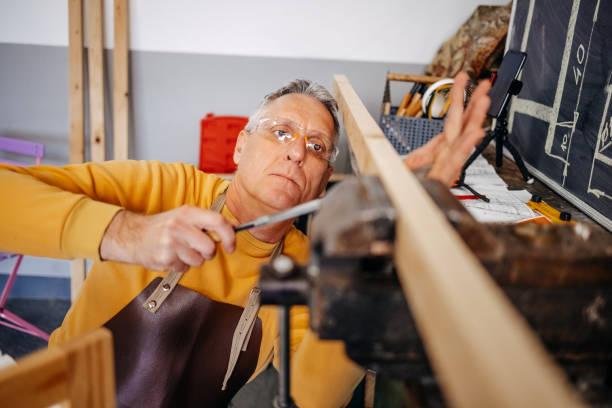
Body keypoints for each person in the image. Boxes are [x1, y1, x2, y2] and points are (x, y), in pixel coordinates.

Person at [0, 72, 490, 407]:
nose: (297, 151)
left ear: (323, 181)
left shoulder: (301, 269)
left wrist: (378, 246)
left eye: (317, 148)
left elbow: (314, 397)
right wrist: (125, 231)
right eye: (281, 132)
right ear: (240, 145)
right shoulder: (165, 190)